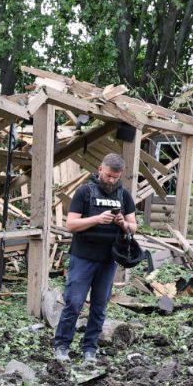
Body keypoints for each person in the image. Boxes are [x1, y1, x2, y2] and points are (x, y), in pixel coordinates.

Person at [53, 152, 137, 363]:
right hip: (83, 257)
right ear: (100, 169)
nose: (111, 180)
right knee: (74, 302)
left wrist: (122, 223)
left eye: (115, 178)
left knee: (100, 305)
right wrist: (97, 218)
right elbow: (70, 224)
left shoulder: (124, 195)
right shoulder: (85, 192)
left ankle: (90, 348)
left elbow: (133, 227)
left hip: (108, 259)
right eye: (108, 175)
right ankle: (62, 345)